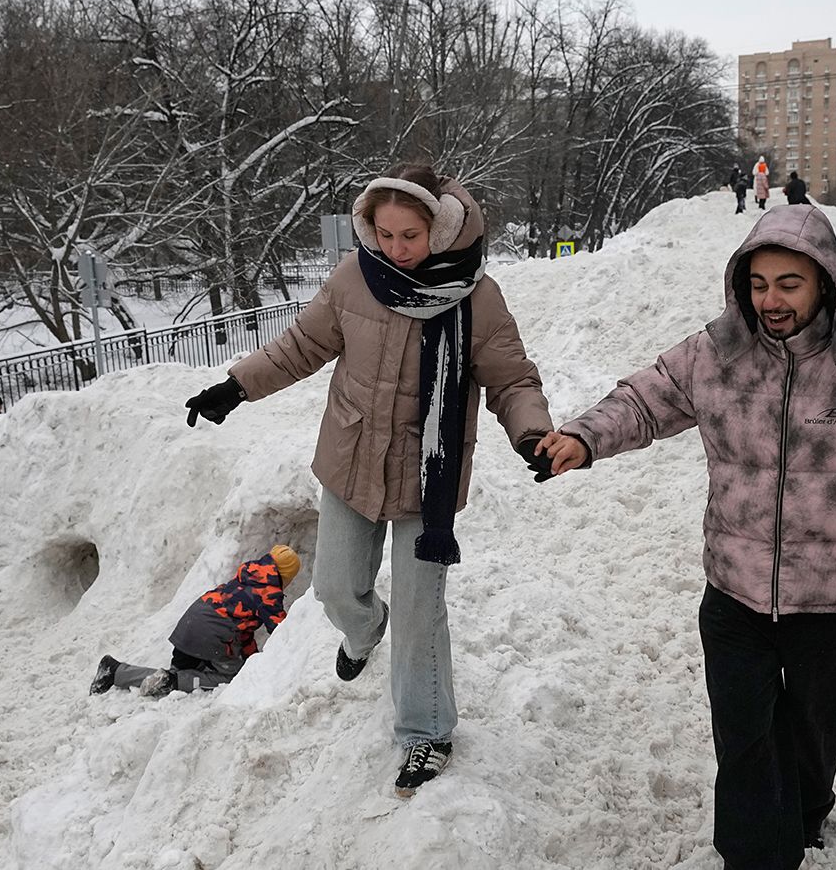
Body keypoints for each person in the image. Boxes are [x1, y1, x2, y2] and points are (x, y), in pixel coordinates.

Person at [535, 204, 836, 869]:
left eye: (789, 284)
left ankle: (809, 804)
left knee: (813, 733)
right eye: (759, 284)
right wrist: (584, 437)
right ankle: (755, 853)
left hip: (832, 597)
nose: (772, 300)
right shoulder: (717, 355)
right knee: (744, 738)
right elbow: (647, 399)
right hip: (734, 589)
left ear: (824, 282)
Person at [181, 163, 555, 798]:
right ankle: (363, 629)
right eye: (384, 234)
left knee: (419, 610)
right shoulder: (355, 279)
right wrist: (237, 386)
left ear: (438, 231)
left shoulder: (476, 296)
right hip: (350, 459)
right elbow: (300, 345)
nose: (396, 249)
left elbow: (512, 379)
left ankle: (427, 730)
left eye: (409, 235)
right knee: (334, 590)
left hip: (425, 475)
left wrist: (531, 433)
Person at [90, 546, 303, 697]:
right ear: (286, 575)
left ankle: (115, 671)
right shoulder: (268, 592)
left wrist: (252, 659)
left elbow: (244, 632)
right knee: (232, 678)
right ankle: (172, 682)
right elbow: (282, 632)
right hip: (211, 636)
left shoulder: (247, 576)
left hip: (190, 624)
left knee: (177, 673)